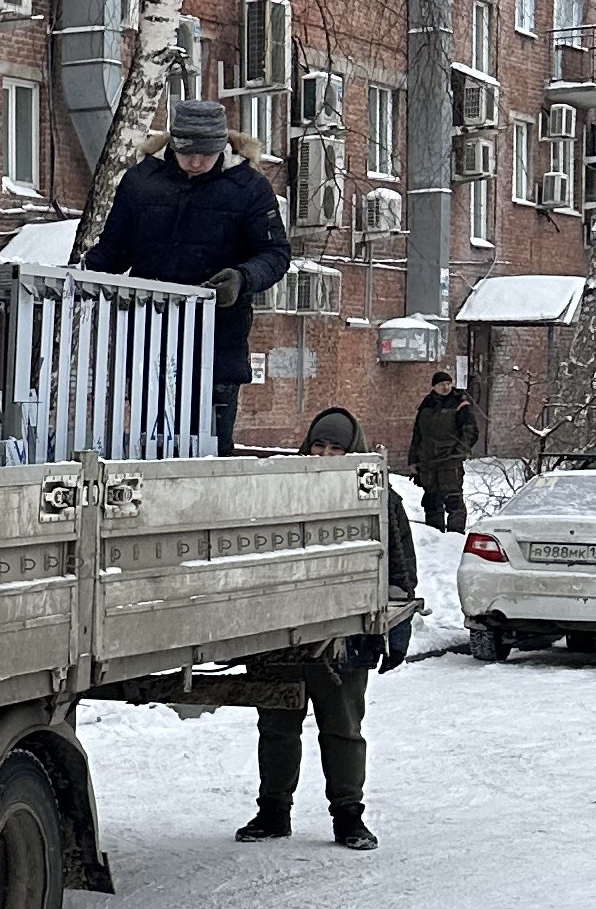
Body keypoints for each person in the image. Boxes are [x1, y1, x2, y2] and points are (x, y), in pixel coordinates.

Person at [237, 405, 418, 853]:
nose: (324, 454)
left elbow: (400, 571)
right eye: (318, 444)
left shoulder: (381, 499)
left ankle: (348, 817)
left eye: (336, 447)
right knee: (276, 725)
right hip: (281, 636)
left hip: (344, 641)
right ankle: (273, 811)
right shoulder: (282, 493)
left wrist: (395, 630)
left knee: (342, 728)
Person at [82, 96, 292, 453]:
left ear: (222, 147)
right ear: (172, 145)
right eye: (186, 153)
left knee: (210, 450)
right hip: (151, 342)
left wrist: (241, 278)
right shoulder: (140, 182)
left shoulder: (249, 188)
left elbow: (275, 253)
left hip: (218, 345)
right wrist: (81, 277)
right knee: (151, 448)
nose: (195, 163)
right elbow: (112, 253)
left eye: (205, 155)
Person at [407, 359, 474, 532]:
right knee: (431, 501)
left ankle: (455, 538)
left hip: (450, 462)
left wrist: (458, 453)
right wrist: (413, 461)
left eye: (448, 384)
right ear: (434, 387)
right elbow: (418, 435)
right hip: (428, 462)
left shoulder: (460, 404)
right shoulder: (427, 405)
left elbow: (470, 432)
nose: (445, 387)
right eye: (441, 384)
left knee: (453, 501)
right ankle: (434, 536)